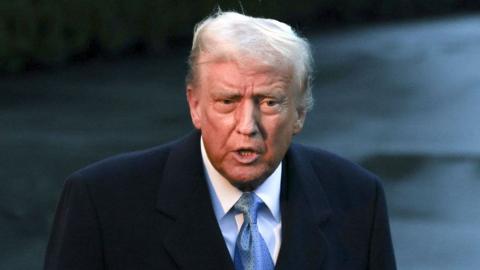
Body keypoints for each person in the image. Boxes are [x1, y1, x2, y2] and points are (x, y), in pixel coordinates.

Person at [44, 11, 396, 270]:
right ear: (195, 105)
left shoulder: (359, 199)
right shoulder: (101, 203)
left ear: (301, 112)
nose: (247, 125)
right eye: (227, 101)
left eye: (269, 102)